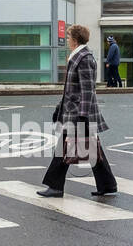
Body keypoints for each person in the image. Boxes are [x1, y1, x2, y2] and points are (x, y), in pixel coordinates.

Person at [39, 24, 118, 198]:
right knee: (92, 148)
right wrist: (59, 108)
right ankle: (108, 185)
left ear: (75, 40)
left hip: (80, 114)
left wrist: (82, 116)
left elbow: (87, 90)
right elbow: (71, 89)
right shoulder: (77, 57)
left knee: (63, 148)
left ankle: (55, 186)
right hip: (74, 111)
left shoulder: (84, 59)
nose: (67, 40)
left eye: (68, 37)